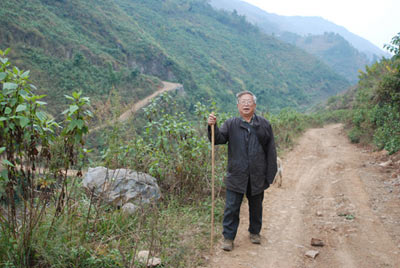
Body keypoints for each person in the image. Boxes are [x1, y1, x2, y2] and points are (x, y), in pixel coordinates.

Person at [207, 91, 277, 251]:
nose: (246, 104)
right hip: (236, 174)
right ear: (238, 106)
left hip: (257, 174)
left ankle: (254, 232)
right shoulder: (231, 124)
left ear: (254, 105)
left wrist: (269, 174)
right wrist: (212, 126)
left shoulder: (264, 125)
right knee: (231, 207)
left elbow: (271, 150)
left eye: (249, 102)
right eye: (243, 102)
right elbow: (218, 139)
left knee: (256, 206)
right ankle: (228, 238)